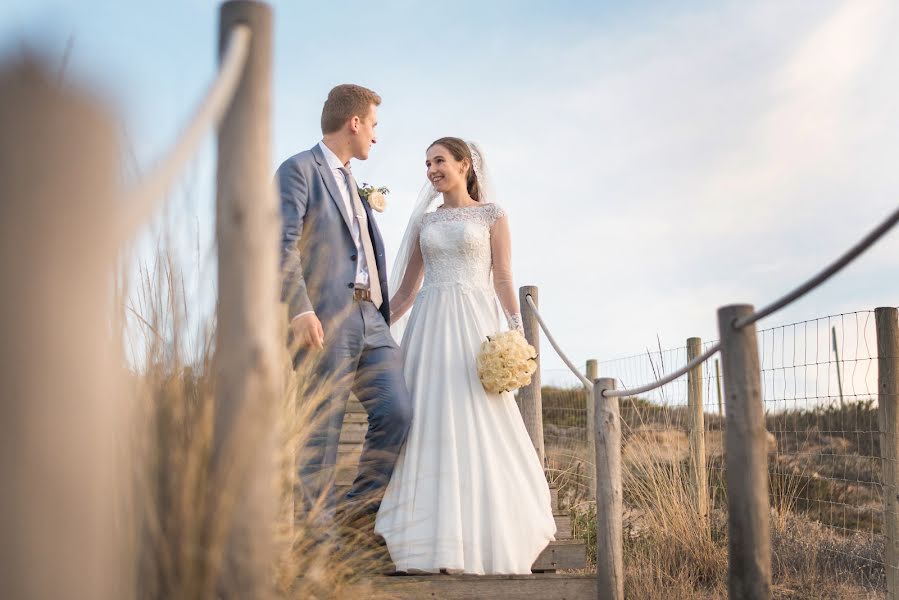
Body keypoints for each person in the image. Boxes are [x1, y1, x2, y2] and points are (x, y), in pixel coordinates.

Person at [374, 137, 556, 574]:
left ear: (464, 165)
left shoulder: (493, 215)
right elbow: (406, 291)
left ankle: (483, 531)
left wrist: (516, 331)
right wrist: (374, 326)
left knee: (478, 414)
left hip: (475, 326)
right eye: (427, 163)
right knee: (429, 415)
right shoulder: (424, 222)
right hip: (431, 324)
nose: (432, 169)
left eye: (439, 161)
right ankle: (426, 536)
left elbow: (504, 276)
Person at [276, 84, 412, 533]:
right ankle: (317, 543)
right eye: (373, 125)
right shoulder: (299, 169)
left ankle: (355, 515)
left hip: (371, 319)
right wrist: (299, 309)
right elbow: (282, 245)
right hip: (324, 317)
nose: (375, 135)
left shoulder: (355, 181)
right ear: (354, 123)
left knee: (397, 412)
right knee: (323, 431)